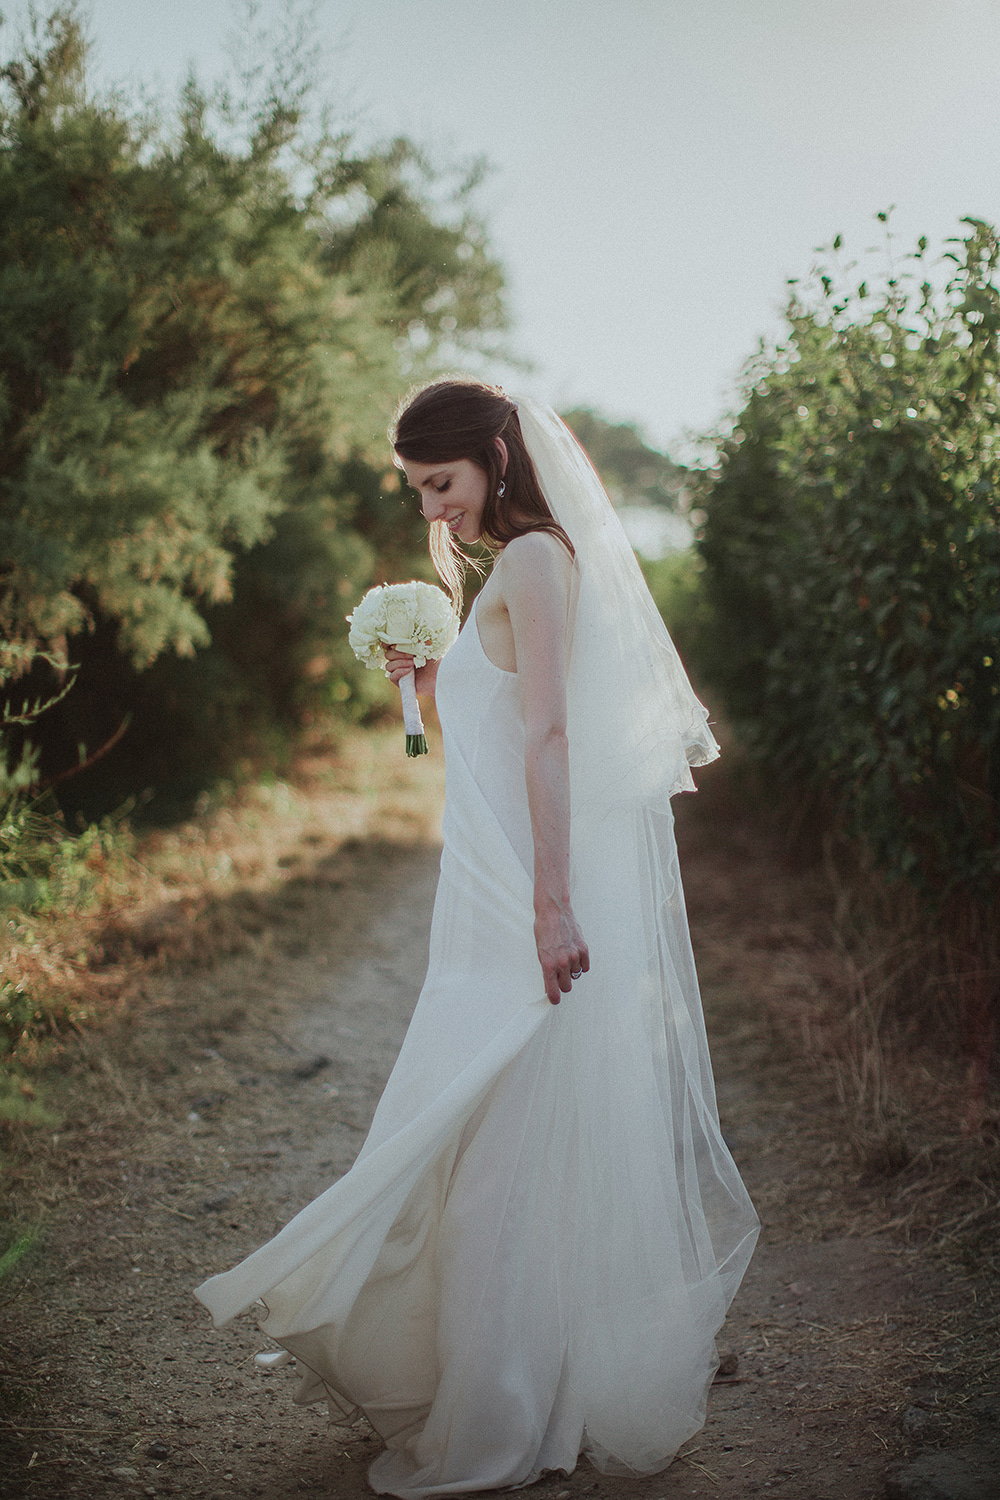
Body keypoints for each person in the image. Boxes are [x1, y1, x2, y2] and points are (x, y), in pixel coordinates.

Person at [194, 381, 759, 1498]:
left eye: (441, 484)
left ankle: (498, 1420)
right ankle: (501, 1397)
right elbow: (476, 738)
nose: (432, 512)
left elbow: (551, 737)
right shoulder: (505, 572)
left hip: (522, 901)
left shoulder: (540, 562)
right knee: (475, 1150)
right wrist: (416, 692)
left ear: (497, 457)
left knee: (492, 1167)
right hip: (482, 893)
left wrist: (555, 906)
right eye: (414, 492)